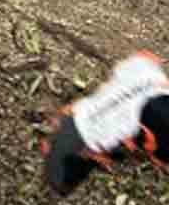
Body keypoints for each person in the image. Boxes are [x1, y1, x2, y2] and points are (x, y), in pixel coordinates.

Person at [44, 52, 169, 194]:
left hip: (85, 120)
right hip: (82, 133)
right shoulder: (103, 135)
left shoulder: (147, 69)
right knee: (60, 182)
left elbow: (144, 58)